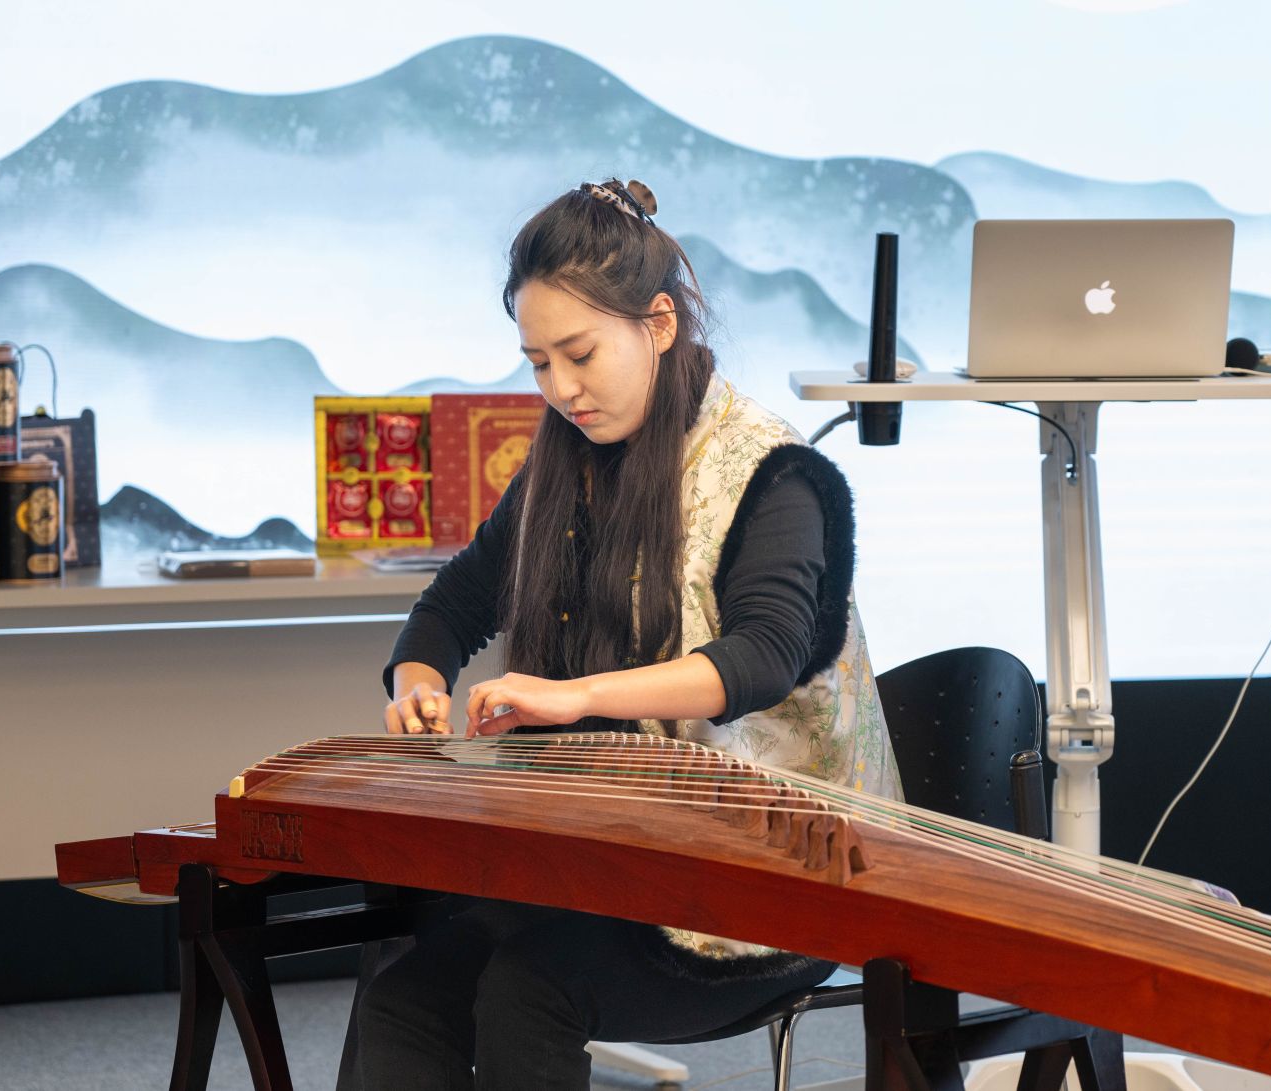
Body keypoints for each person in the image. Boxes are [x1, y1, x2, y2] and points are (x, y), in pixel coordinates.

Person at [336, 178, 902, 1091]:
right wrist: (417, 685)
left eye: (580, 354)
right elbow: (453, 604)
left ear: (660, 323)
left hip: (770, 877)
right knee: (405, 993)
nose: (560, 388)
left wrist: (575, 696)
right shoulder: (563, 465)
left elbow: (761, 657)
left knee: (527, 991)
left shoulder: (773, 469)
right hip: (606, 860)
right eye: (536, 363)